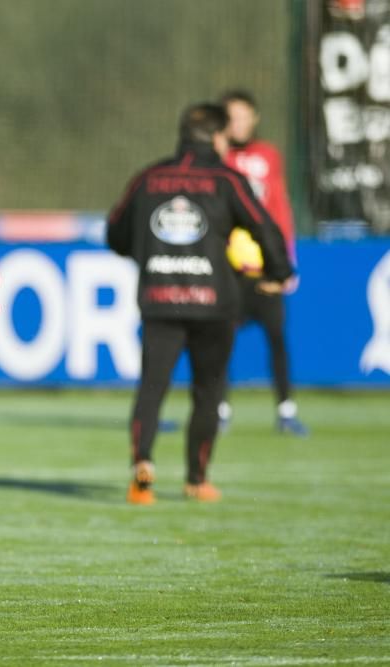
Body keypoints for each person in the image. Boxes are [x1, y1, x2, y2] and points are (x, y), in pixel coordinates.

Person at [106, 103, 294, 505]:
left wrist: (145, 251)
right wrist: (278, 272)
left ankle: (143, 465)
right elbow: (264, 226)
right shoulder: (227, 179)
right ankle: (197, 478)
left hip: (159, 298)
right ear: (220, 137)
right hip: (214, 303)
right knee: (208, 391)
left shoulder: (149, 177)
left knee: (152, 388)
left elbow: (115, 233)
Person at [219, 90, 307, 436]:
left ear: (255, 118)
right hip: (229, 269)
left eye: (244, 116)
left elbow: (280, 207)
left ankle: (286, 410)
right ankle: (220, 409)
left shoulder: (268, 155)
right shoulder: (218, 157)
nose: (238, 124)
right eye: (231, 117)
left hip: (266, 266)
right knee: (220, 340)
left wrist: (286, 261)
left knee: (277, 338)